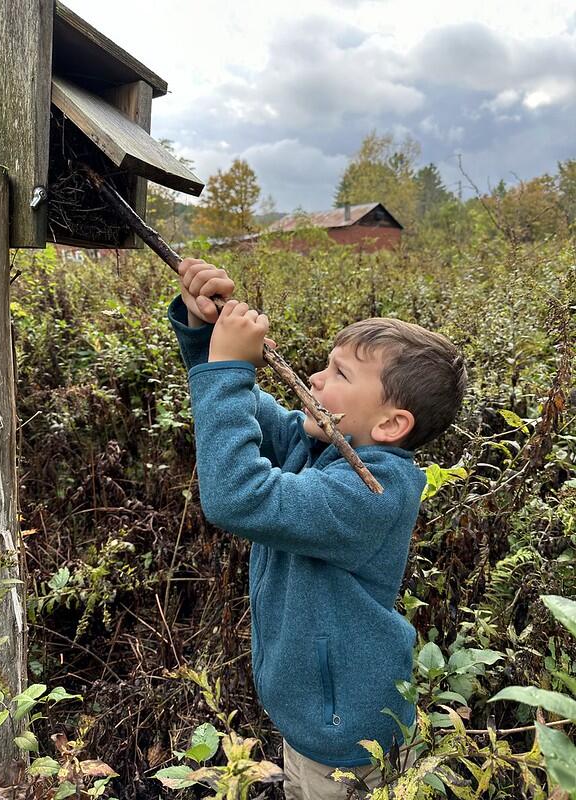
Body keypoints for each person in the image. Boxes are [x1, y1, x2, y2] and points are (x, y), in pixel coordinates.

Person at [168, 257, 468, 800]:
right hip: (312, 721)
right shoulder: (328, 450)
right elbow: (255, 415)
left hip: (348, 744)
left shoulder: (369, 493)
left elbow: (237, 495)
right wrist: (205, 337)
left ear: (391, 424)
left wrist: (229, 369)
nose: (313, 378)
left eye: (339, 374)